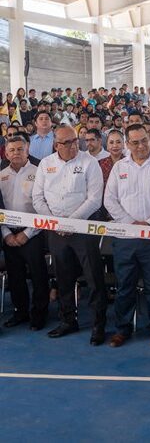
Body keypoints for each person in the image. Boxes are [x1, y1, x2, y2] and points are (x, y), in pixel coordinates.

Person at [104, 123, 150, 348]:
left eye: (144, 140)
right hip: (125, 238)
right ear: (127, 144)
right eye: (135, 142)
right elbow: (109, 200)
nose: (141, 146)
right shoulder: (119, 167)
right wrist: (130, 224)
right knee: (124, 287)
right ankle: (122, 329)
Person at [32, 125, 107, 345]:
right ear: (56, 145)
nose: (73, 145)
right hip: (56, 230)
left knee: (94, 278)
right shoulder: (46, 164)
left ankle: (98, 324)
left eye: (75, 141)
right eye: (67, 143)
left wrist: (71, 222)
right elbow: (38, 198)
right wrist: (54, 223)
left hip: (83, 229)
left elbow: (95, 199)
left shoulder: (89, 163)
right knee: (63, 278)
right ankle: (67, 320)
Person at [0, 136, 49, 331]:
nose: (16, 153)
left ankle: (39, 314)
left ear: (27, 151)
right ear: (6, 153)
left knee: (38, 276)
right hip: (9, 234)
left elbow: (43, 208)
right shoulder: (1, 175)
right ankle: (20, 312)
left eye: (20, 149)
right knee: (15, 277)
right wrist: (6, 234)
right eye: (12, 150)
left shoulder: (38, 173)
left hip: (33, 234)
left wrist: (27, 234)